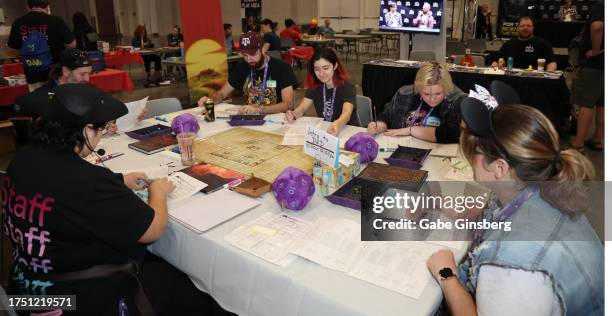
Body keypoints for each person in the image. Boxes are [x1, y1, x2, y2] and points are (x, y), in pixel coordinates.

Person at [5, 83, 231, 315]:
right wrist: (158, 193)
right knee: (198, 291)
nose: (100, 138)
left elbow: (60, 191)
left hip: (24, 291)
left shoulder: (22, 160)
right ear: (86, 129)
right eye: (100, 131)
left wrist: (118, 179)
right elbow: (152, 230)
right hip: (74, 301)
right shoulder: (88, 181)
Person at [427, 98, 603, 315]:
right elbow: (497, 211)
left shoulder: (512, 271)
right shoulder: (547, 189)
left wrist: (447, 275)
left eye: (472, 155)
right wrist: (444, 205)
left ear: (500, 168)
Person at [16, 48, 147, 132]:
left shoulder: (87, 89)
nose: (88, 79)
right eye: (82, 74)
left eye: (89, 73)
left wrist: (129, 117)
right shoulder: (49, 93)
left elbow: (104, 109)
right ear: (66, 71)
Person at [197, 32, 297, 115]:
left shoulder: (282, 68)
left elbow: (288, 104)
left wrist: (259, 109)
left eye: (253, 54)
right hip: (250, 119)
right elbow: (222, 93)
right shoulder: (242, 66)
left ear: (263, 49)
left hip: (276, 119)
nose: (249, 60)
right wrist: (210, 100)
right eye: (245, 55)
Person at [367, 62, 466, 144]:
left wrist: (411, 130)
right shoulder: (404, 93)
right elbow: (387, 116)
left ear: (446, 88)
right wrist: (380, 125)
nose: (432, 99)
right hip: (404, 148)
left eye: (438, 93)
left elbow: (452, 134)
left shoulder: (457, 100)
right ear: (418, 88)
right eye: (426, 94)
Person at [285, 48, 356, 136]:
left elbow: (346, 113)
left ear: (335, 66)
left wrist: (337, 124)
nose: (321, 74)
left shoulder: (347, 87)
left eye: (325, 68)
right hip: (327, 130)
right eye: (317, 69)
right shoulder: (315, 86)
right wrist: (293, 114)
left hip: (347, 131)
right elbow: (302, 108)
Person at [8, 0, 76, 91]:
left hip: (32, 71)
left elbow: (13, 48)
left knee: (38, 100)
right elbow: (72, 44)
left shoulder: (18, 22)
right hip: (54, 71)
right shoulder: (56, 21)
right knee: (55, 98)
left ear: (28, 6)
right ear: (47, 6)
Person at [570, 1, 604, 153]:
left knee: (586, 102)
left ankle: (578, 143)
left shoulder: (601, 5)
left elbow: (597, 26)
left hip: (594, 64)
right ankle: (597, 139)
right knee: (601, 103)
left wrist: (596, 51)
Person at [492, 16, 557, 71]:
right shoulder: (508, 44)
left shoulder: (543, 44)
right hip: (511, 79)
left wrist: (549, 74)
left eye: (529, 26)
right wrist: (495, 68)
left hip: (535, 81)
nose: (525, 28)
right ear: (517, 28)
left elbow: (552, 63)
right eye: (522, 26)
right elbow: (496, 61)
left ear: (533, 28)